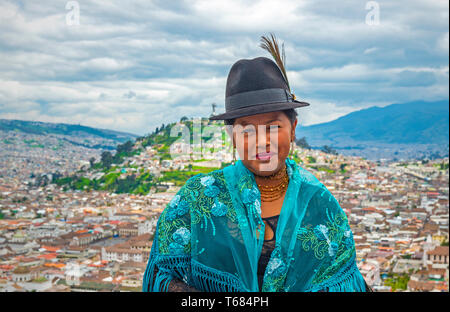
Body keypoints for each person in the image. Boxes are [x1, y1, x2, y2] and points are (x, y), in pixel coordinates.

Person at [142, 35, 371, 292]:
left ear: (293, 129)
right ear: (232, 137)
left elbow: (345, 281)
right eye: (247, 130)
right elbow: (161, 276)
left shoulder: (319, 203)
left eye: (273, 127)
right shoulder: (198, 198)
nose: (262, 141)